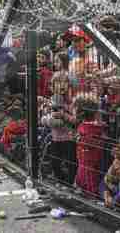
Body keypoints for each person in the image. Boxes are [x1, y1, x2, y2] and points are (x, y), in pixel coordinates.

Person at [42, 52, 77, 184]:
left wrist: (63, 114)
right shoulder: (54, 99)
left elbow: (75, 120)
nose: (59, 87)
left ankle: (69, 182)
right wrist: (47, 111)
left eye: (63, 84)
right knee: (55, 161)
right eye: (56, 84)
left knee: (70, 162)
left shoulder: (72, 101)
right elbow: (50, 112)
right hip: (56, 136)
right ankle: (60, 180)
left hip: (69, 136)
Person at [73, 94, 107, 196]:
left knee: (88, 177)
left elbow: (88, 141)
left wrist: (78, 139)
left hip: (86, 158)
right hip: (90, 158)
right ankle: (86, 191)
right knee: (89, 175)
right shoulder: (96, 126)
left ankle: (91, 195)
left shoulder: (85, 127)